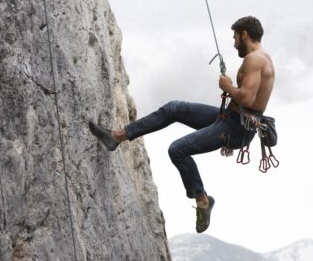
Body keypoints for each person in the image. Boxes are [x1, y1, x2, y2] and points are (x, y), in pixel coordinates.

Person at [89, 16, 275, 233]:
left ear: (245, 34)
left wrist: (228, 86)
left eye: (235, 38)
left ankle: (202, 200)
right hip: (231, 120)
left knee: (177, 149)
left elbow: (246, 98)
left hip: (236, 127)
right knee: (174, 108)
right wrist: (230, 98)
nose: (234, 44)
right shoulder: (259, 59)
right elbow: (246, 100)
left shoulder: (256, 59)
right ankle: (117, 136)